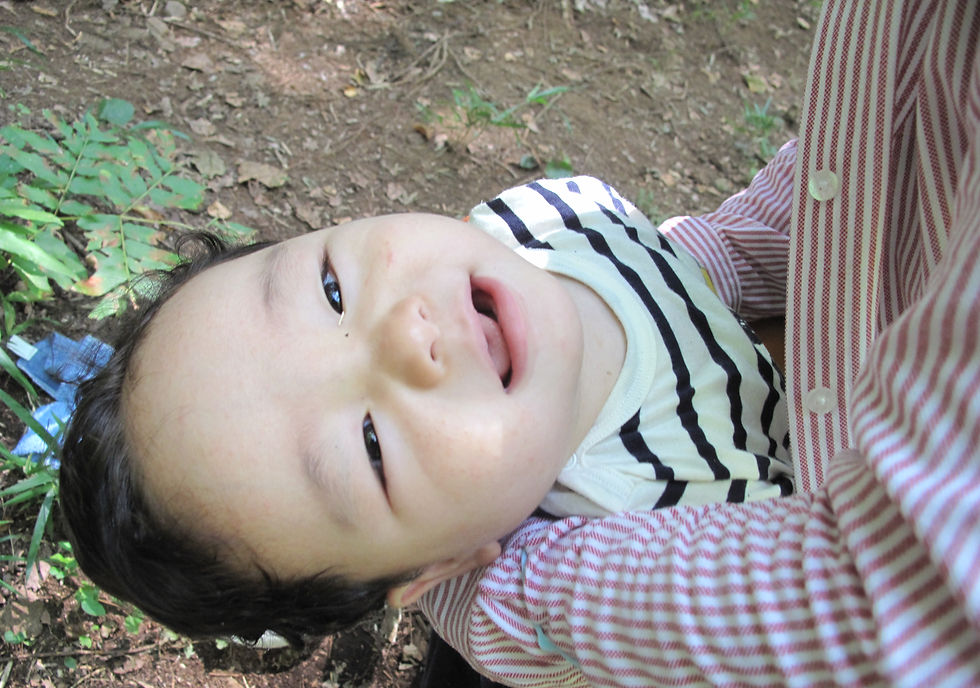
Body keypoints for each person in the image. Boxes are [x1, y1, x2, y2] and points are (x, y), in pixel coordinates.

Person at [414, 0, 980, 688]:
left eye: (336, 291)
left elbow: (923, 631)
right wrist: (668, 274)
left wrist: (502, 588)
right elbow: (909, 131)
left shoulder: (709, 498)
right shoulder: (551, 232)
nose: (408, 340)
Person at [58, 175, 793, 647]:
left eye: (331, 290)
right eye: (371, 446)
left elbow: (684, 267)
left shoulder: (535, 219)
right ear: (442, 566)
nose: (408, 334)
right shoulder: (669, 530)